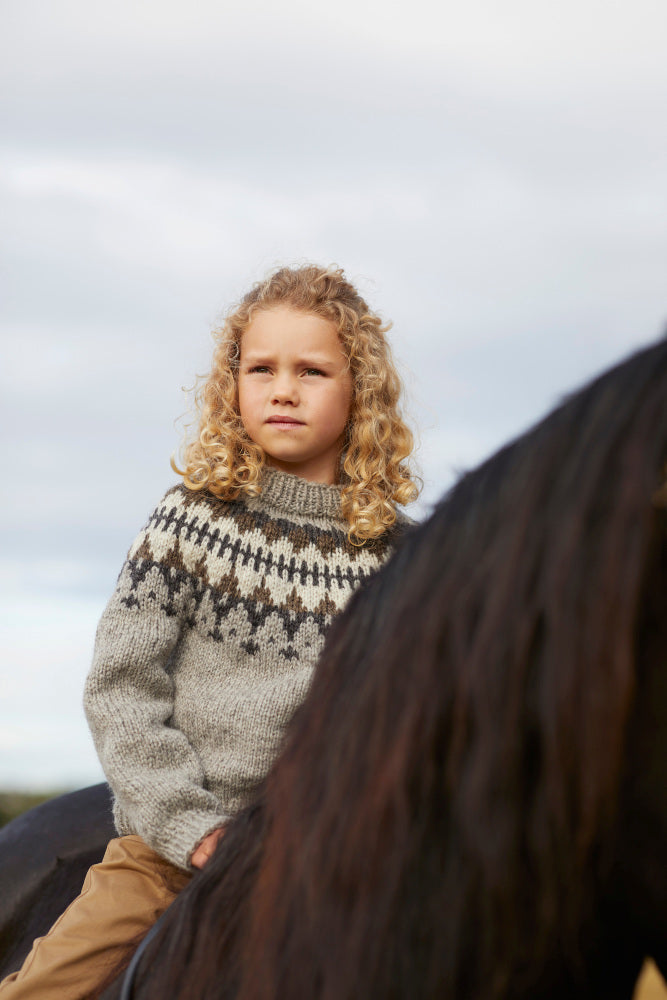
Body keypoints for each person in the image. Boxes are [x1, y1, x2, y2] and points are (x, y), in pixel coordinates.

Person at [0, 264, 420, 999]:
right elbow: (121, 693)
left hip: (329, 858)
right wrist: (189, 826)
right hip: (170, 852)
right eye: (261, 369)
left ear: (360, 391)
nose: (283, 389)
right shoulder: (191, 520)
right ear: (232, 385)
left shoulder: (398, 556)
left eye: (312, 370)